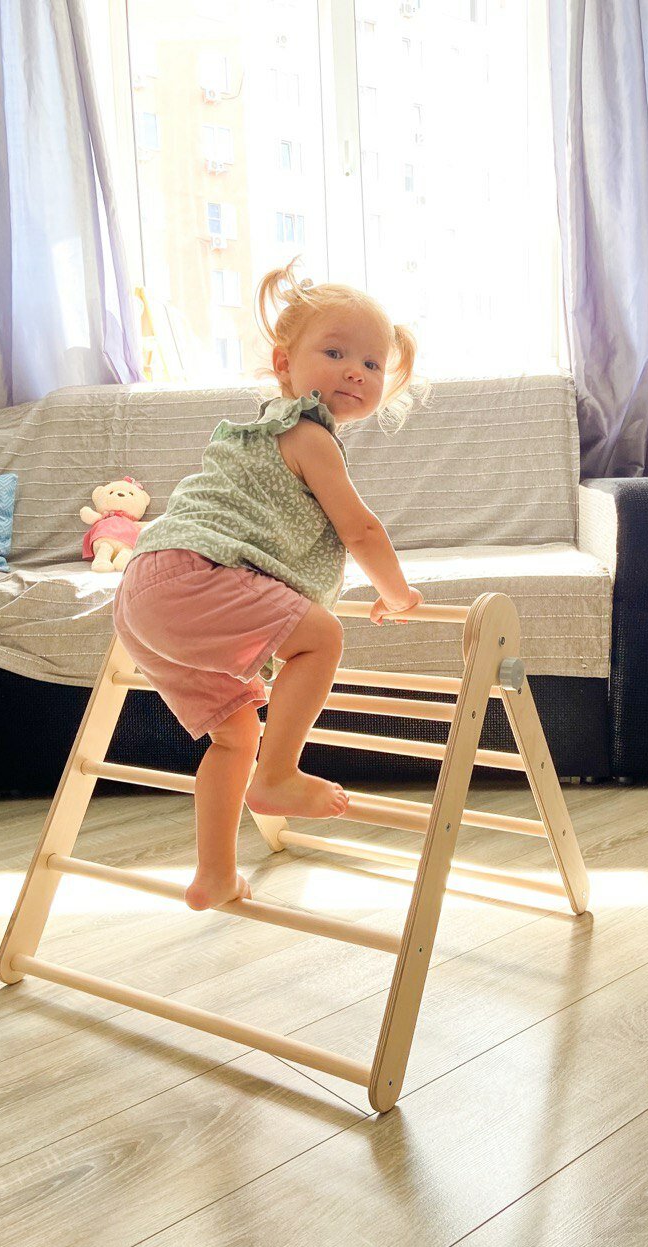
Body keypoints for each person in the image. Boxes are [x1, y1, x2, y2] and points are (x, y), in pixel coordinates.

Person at [114, 260, 423, 911]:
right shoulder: (308, 434)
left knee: (235, 736)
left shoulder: (255, 435)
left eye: (372, 363)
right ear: (285, 364)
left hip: (144, 592)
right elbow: (361, 530)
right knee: (320, 638)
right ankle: (279, 775)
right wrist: (397, 595)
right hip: (197, 575)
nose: (355, 372)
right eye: (335, 353)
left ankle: (215, 875)